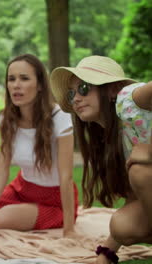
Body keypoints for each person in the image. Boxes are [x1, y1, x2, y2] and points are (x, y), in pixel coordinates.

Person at [50, 55, 152, 264]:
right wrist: (106, 254)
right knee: (121, 224)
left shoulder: (128, 99)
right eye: (71, 94)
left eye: (84, 88)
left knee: (140, 171)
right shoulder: (112, 139)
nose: (76, 98)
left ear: (112, 89)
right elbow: (137, 197)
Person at [0, 54, 79, 238]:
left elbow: (66, 176)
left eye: (24, 78)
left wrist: (69, 230)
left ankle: (55, 217)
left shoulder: (59, 117)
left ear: (40, 85)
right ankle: (11, 215)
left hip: (54, 198)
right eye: (11, 79)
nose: (16, 85)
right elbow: (1, 170)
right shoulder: (7, 119)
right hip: (22, 188)